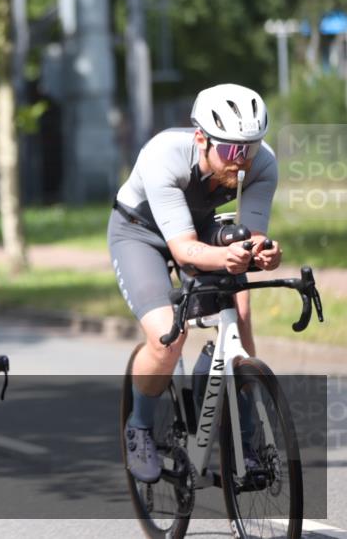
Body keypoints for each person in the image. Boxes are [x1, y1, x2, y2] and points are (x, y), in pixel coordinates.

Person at [108, 84, 281, 483]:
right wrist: (227, 258)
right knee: (167, 337)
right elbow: (185, 252)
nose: (242, 162)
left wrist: (266, 253)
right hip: (140, 233)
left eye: (250, 149)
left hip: (202, 229)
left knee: (240, 314)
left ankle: (246, 441)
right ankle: (139, 426)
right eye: (232, 150)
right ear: (201, 138)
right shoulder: (163, 156)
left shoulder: (263, 164)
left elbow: (252, 236)